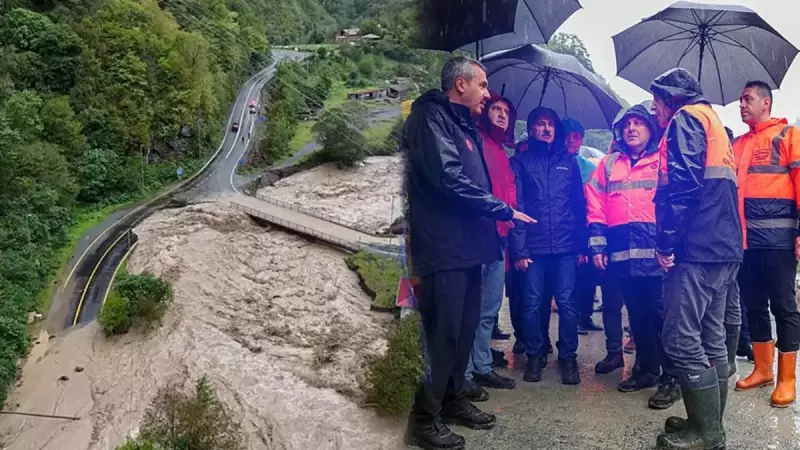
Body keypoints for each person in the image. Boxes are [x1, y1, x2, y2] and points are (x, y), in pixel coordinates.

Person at [401, 56, 533, 450]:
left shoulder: (463, 124)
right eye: (482, 84)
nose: (488, 92)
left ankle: (454, 398)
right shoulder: (430, 119)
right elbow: (448, 179)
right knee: (442, 334)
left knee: (463, 330)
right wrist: (502, 209)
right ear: (460, 84)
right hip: (445, 247)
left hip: (471, 246)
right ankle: (423, 419)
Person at [649, 68, 742, 450]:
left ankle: (707, 434)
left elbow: (684, 185)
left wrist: (667, 243)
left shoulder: (685, 120)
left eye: (656, 103)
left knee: (681, 338)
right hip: (722, 246)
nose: (654, 110)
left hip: (696, 248)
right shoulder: (713, 121)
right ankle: (708, 425)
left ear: (669, 98)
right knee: (711, 336)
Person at [585, 104, 681, 410]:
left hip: (657, 255)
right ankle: (646, 370)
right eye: (627, 124)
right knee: (637, 316)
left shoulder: (662, 160)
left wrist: (673, 244)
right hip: (622, 255)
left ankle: (672, 377)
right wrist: (598, 246)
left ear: (650, 129)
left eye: (638, 123)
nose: (632, 128)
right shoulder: (609, 164)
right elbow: (595, 204)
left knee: (662, 317)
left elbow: (676, 202)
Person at [732, 80, 800, 408]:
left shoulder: (788, 136)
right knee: (755, 307)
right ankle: (763, 369)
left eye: (747, 99)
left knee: (784, 308)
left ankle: (788, 379)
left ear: (766, 103)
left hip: (779, 243)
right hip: (745, 244)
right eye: (740, 100)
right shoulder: (737, 144)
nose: (741, 105)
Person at [510, 107, 587, 385]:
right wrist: (518, 249)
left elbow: (579, 206)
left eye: (550, 124)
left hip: (566, 246)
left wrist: (582, 246)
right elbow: (516, 206)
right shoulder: (520, 162)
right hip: (534, 245)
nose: (546, 129)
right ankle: (535, 354)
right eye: (540, 124)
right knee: (531, 303)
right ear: (531, 129)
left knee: (567, 302)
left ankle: (568, 357)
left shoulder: (569, 162)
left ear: (557, 130)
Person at [463, 92, 519, 402]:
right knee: (473, 308)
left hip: (500, 237)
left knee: (489, 308)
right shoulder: (476, 141)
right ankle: (468, 372)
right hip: (479, 235)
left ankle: (482, 365)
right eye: (495, 109)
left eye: (506, 112)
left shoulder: (501, 149)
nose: (500, 114)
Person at [563, 117, 603, 335]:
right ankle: (573, 319)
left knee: (588, 275)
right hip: (562, 229)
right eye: (567, 136)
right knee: (568, 278)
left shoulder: (589, 167)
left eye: (576, 137)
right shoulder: (556, 162)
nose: (571, 141)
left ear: (581, 140)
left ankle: (586, 316)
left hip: (585, 225)